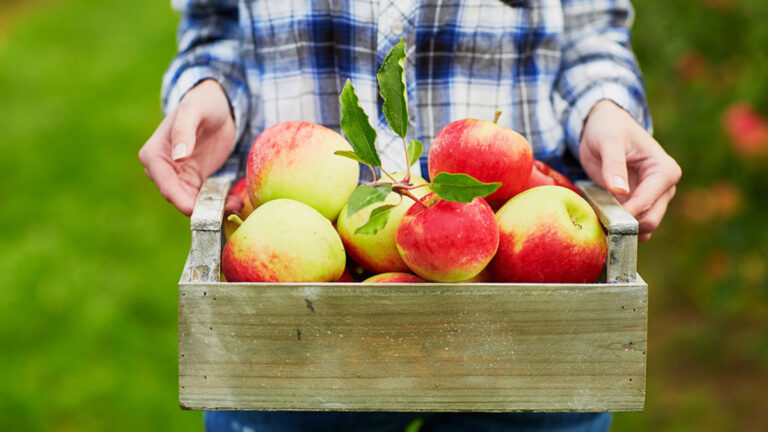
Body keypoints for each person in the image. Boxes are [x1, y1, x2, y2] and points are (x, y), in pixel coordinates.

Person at [139, 1, 681, 430]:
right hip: (293, 322)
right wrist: (211, 87)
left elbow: (591, 29)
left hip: (528, 306)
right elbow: (215, 22)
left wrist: (603, 106)